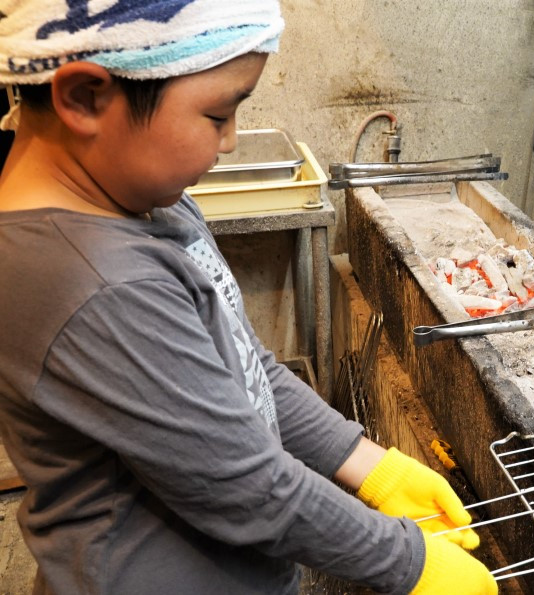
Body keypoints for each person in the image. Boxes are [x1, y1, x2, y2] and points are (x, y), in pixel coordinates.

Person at [0, 2, 498, 593]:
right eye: (217, 114)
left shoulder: (146, 203)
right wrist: (407, 564)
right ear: (84, 98)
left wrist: (367, 464)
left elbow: (242, 364)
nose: (231, 141)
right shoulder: (96, 285)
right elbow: (246, 488)